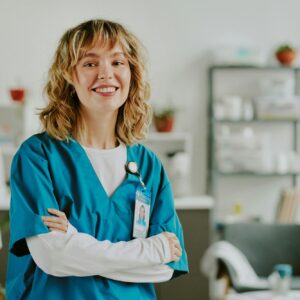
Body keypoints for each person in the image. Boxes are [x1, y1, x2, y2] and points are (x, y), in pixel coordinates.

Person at [6, 19, 188, 300]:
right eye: (90, 64)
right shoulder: (38, 156)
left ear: (132, 74)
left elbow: (165, 266)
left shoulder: (149, 166)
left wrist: (75, 243)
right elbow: (54, 257)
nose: (106, 74)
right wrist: (150, 250)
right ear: (69, 75)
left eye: (118, 63)